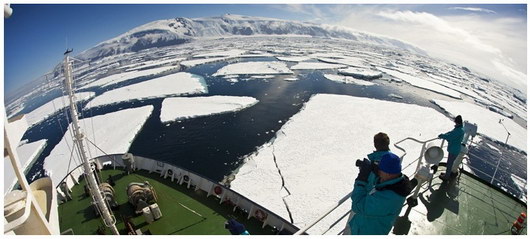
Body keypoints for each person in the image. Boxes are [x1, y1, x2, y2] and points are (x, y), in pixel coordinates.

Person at [349, 152, 414, 235]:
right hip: (363, 226)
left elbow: (358, 205)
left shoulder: (389, 198)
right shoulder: (393, 182)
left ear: (389, 174)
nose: (378, 172)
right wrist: (373, 169)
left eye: (380, 169)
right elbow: (379, 185)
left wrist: (361, 180)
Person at [438, 115, 465, 180]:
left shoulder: (458, 130)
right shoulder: (460, 129)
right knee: (450, 163)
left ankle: (446, 177)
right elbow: (451, 133)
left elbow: (450, 136)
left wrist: (442, 136)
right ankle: (447, 174)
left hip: (453, 149)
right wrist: (445, 134)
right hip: (455, 149)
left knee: (449, 164)